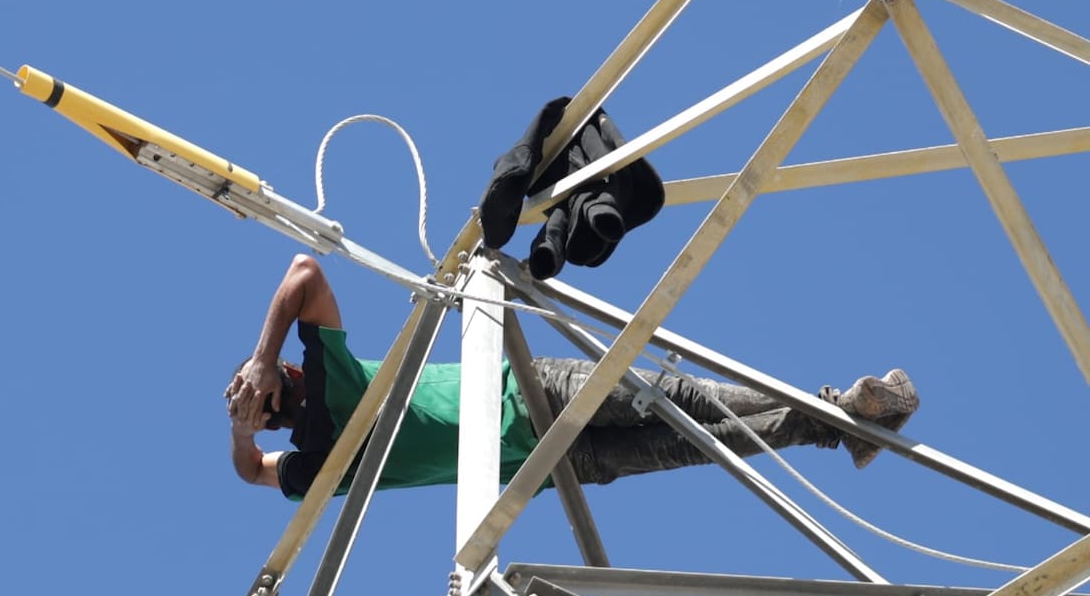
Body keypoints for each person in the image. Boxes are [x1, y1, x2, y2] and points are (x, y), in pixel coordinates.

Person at [225, 255, 919, 501]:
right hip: (550, 461)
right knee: (700, 438)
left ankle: (840, 418)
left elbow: (304, 273)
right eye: (265, 405)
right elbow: (251, 470)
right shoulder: (322, 462)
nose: (265, 402)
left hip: (531, 394)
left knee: (684, 402)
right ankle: (847, 422)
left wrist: (260, 356)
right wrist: (239, 423)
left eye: (265, 391)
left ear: (289, 373)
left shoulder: (331, 377)